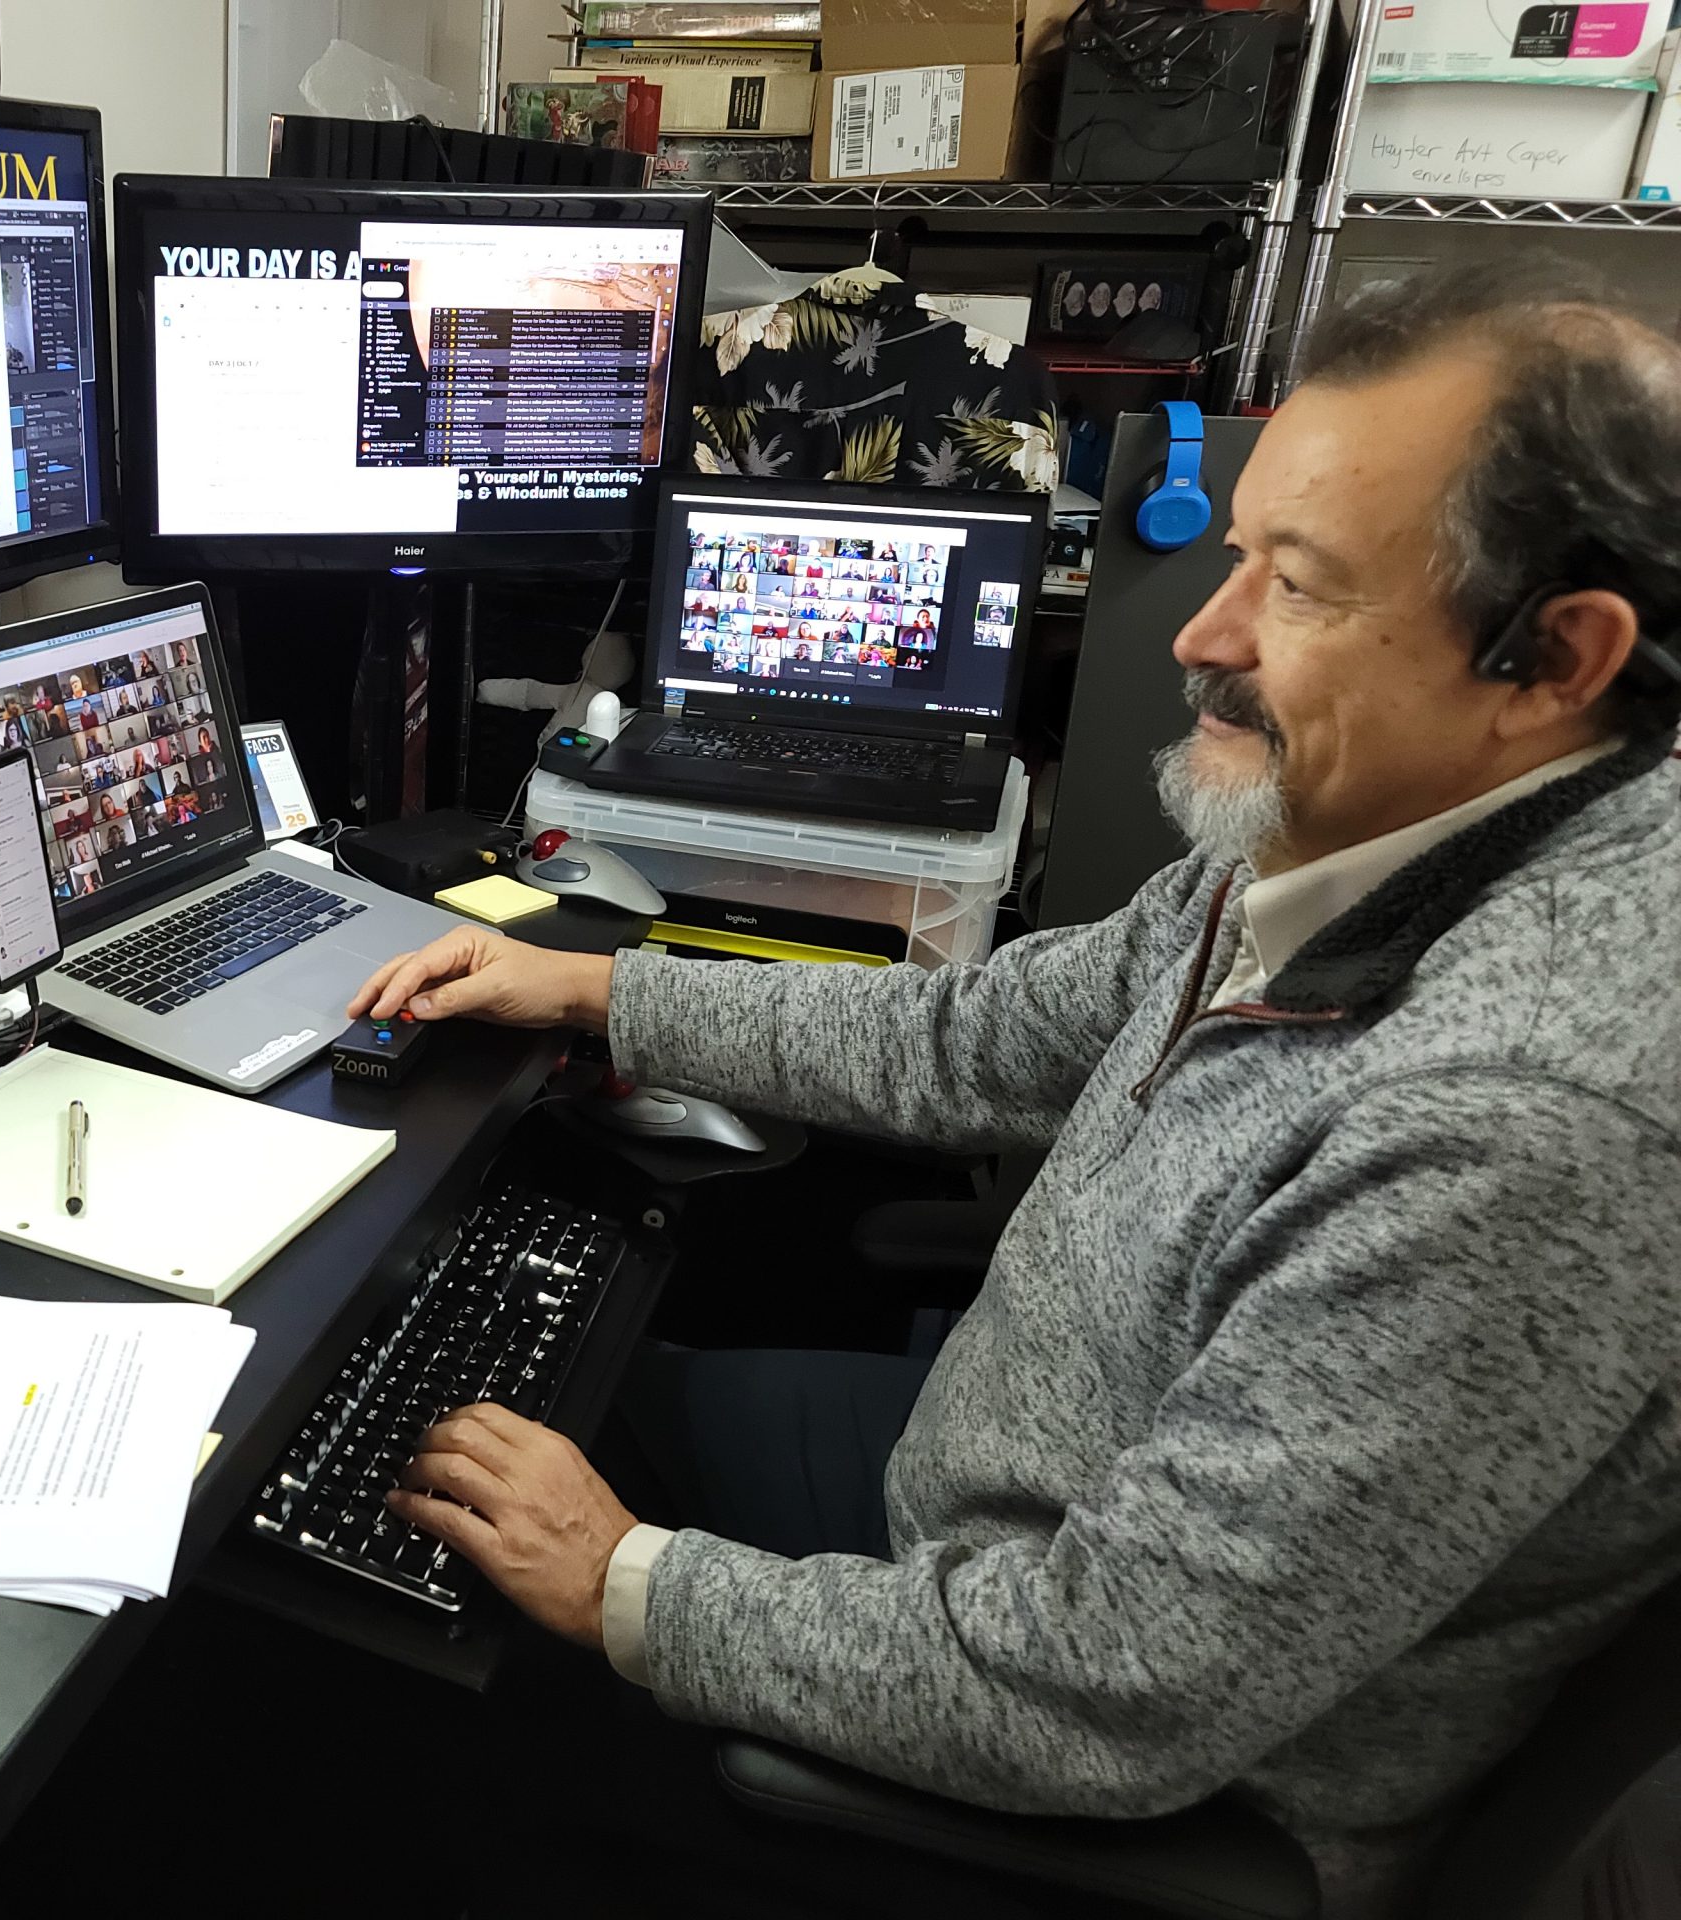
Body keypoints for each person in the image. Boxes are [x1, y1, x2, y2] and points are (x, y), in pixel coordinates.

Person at [346, 269, 1681, 1917]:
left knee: (386, 1713)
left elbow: (1110, 1692)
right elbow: (971, 1040)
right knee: (508, 1421)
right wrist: (606, 989)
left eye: (1304, 589)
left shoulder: (1523, 1125)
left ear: (1556, 658)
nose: (1204, 633)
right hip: (990, 1481)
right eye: (1239, 552)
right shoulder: (1344, 834)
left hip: (1072, 1782)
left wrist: (622, 1580)